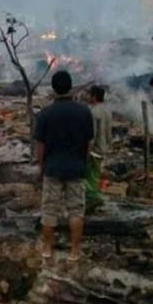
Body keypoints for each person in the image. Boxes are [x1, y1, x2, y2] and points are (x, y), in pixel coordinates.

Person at [35, 71, 94, 262]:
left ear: (53, 88)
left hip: (53, 168)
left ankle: (47, 248)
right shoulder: (84, 111)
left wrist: (41, 166)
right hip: (76, 168)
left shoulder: (45, 113)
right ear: (70, 87)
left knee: (49, 211)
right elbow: (89, 143)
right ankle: (75, 251)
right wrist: (82, 162)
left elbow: (41, 146)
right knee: (76, 211)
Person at [86, 85, 112, 211]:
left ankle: (92, 201)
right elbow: (109, 135)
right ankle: (94, 198)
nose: (88, 97)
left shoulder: (93, 112)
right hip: (103, 149)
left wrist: (87, 152)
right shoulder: (106, 111)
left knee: (90, 177)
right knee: (95, 175)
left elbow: (92, 136)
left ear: (94, 96)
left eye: (89, 94)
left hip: (94, 151)